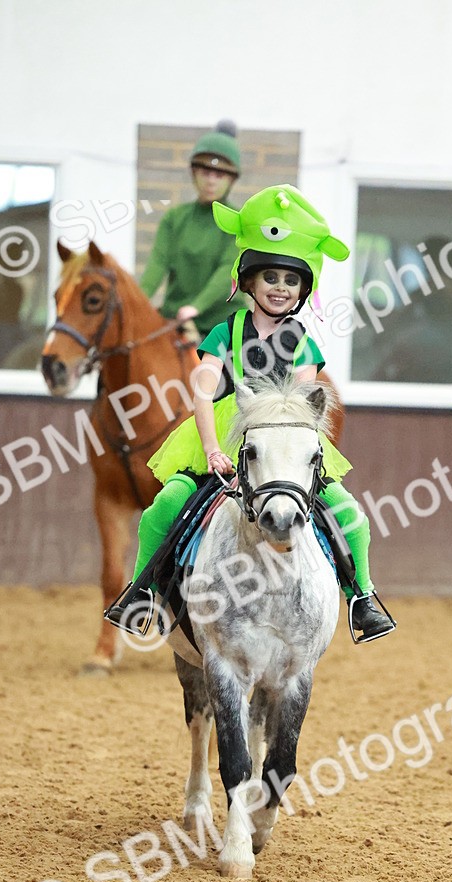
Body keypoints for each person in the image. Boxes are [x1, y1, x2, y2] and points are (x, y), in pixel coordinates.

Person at [112, 184, 396, 642]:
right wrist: (209, 450)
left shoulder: (303, 342)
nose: (280, 289)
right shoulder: (226, 332)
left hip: (283, 446)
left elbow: (304, 406)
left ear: (304, 289)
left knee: (351, 515)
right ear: (248, 281)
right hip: (226, 436)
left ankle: (362, 598)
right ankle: (144, 594)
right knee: (163, 507)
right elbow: (202, 392)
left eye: (291, 281)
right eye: (271, 278)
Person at [139, 120, 247, 339]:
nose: (211, 181)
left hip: (222, 324)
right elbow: (156, 266)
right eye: (205, 173)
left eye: (219, 175)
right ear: (194, 173)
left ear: (231, 179)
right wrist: (137, 303)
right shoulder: (175, 218)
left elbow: (228, 270)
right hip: (176, 320)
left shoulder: (238, 222)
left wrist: (196, 307)